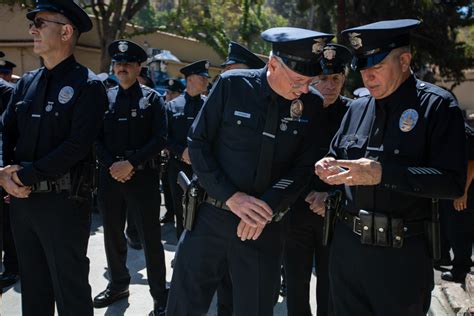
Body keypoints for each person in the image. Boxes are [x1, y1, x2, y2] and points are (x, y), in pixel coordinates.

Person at [166, 27, 333, 316]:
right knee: (185, 304)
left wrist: (265, 207)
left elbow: (304, 166)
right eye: (298, 81)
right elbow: (198, 142)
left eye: (311, 81)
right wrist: (231, 196)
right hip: (211, 217)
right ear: (272, 65)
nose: (304, 89)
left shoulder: (312, 104)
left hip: (264, 228)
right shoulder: (233, 86)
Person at [314, 19, 466, 315]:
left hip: (401, 256)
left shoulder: (436, 106)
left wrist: (383, 175)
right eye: (362, 67)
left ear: (405, 60)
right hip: (347, 250)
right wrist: (326, 165)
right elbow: (335, 153)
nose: (367, 76)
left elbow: (452, 182)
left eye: (377, 66)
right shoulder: (356, 108)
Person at [1, 0, 107, 315]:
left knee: (70, 289)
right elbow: (5, 130)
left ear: (65, 31)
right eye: (33, 23)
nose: (32, 29)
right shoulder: (27, 84)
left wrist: (22, 176)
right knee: (33, 289)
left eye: (40, 22)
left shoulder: (86, 85)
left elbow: (76, 146)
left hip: (64, 204)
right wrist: (4, 174)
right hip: (22, 202)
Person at [94, 39, 168, 316]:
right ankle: (118, 284)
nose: (121, 67)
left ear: (139, 67)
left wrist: (131, 164)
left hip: (142, 179)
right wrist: (114, 165)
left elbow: (160, 137)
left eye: (127, 63)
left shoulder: (152, 99)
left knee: (150, 238)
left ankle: (160, 295)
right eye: (118, 63)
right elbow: (94, 138)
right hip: (110, 177)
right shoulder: (104, 97)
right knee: (112, 235)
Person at [285, 43, 352, 316]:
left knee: (331, 285)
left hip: (336, 214)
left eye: (336, 78)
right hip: (297, 210)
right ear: (313, 78)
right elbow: (283, 162)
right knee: (296, 284)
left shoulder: (354, 112)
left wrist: (331, 197)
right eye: (323, 78)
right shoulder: (295, 108)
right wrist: (305, 195)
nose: (330, 85)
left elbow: (361, 164)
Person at [216, 40, 266, 316]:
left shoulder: (267, 105)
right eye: (226, 71)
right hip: (221, 206)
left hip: (254, 213)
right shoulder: (221, 101)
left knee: (250, 289)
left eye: (234, 70)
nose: (228, 77)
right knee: (225, 281)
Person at [165, 60, 209, 240]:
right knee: (180, 210)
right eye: (202, 78)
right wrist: (180, 152)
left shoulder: (209, 105)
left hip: (203, 169)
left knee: (203, 213)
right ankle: (181, 254)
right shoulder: (172, 106)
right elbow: (163, 137)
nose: (207, 81)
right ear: (190, 79)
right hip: (178, 168)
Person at [440, 123, 474, 283]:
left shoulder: (462, 131)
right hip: (449, 189)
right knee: (447, 225)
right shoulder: (447, 128)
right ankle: (443, 257)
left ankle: (461, 269)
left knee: (459, 229)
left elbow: (471, 164)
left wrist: (462, 192)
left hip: (462, 191)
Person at [0, 65, 18, 290]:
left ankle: (12, 268)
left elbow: (10, 133)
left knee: (6, 223)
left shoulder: (6, 91)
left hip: (3, 167)